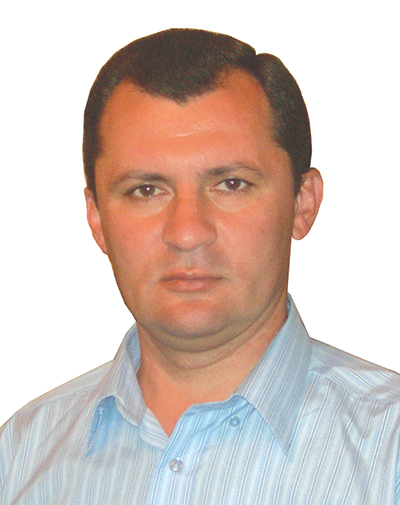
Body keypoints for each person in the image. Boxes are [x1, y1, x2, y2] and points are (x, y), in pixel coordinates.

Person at [1, 28, 399, 505]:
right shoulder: (20, 456)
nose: (187, 232)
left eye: (231, 184)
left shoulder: (390, 450)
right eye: (146, 190)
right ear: (97, 219)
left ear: (302, 203)